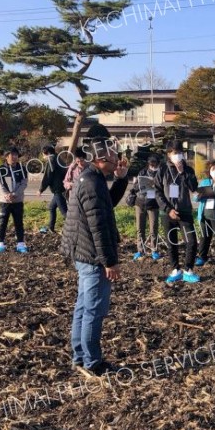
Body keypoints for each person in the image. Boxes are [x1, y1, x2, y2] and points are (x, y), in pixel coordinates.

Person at [61, 137, 129, 375]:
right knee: (93, 310)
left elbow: (106, 206)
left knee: (83, 307)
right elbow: (98, 227)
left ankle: (80, 355)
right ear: (100, 160)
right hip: (91, 256)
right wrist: (109, 262)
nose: (117, 158)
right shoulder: (91, 182)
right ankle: (92, 361)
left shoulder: (93, 178)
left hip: (85, 253)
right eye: (113, 156)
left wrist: (120, 179)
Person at [154, 140, 200, 284]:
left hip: (184, 211)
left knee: (191, 241)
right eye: (175, 153)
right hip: (167, 213)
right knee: (171, 242)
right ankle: (175, 269)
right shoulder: (162, 170)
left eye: (180, 153)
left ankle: (188, 269)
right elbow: (157, 192)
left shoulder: (188, 169)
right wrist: (168, 210)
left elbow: (193, 187)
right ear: (168, 154)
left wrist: (183, 173)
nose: (178, 156)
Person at [0, 147, 29, 253]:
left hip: (17, 201)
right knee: (2, 222)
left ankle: (20, 244)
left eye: (15, 155)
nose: (14, 157)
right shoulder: (1, 169)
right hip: (5, 202)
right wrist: (6, 195)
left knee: (19, 222)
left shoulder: (22, 169)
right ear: (6, 156)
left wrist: (15, 194)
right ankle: (0, 243)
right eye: (11, 155)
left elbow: (24, 183)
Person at [130, 155, 161, 261]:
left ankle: (154, 250)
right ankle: (140, 250)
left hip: (153, 204)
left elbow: (163, 187)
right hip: (140, 202)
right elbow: (135, 188)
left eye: (155, 164)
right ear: (148, 164)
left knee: (154, 228)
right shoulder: (142, 172)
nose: (153, 166)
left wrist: (155, 185)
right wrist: (137, 185)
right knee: (140, 228)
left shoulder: (160, 173)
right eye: (152, 164)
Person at [38, 145, 68, 234]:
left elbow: (47, 176)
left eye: (43, 154)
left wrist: (40, 189)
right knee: (51, 207)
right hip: (60, 188)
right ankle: (51, 228)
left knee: (65, 212)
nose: (43, 156)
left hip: (58, 189)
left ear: (46, 153)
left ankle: (72, 229)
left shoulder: (51, 160)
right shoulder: (59, 158)